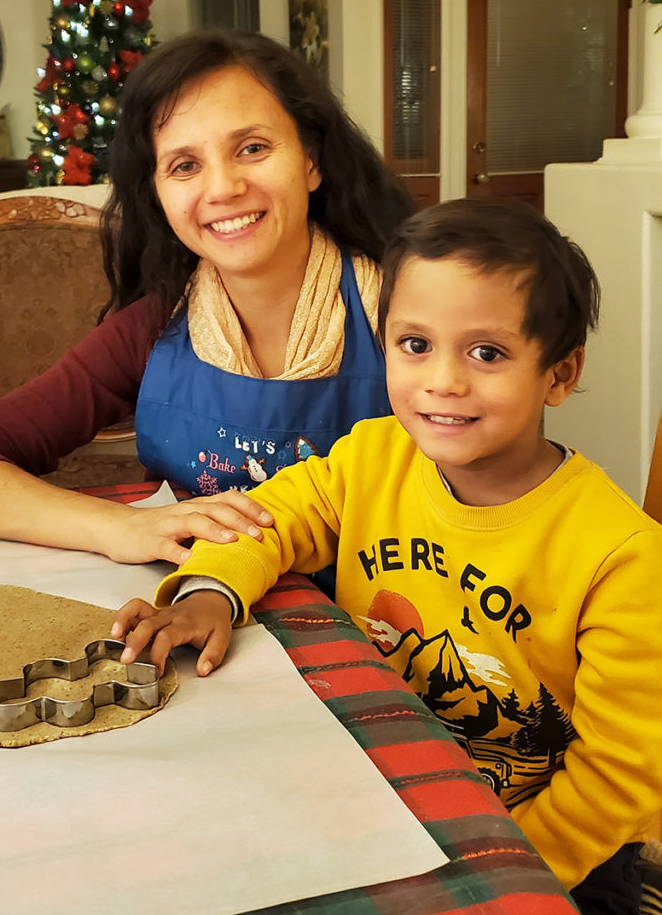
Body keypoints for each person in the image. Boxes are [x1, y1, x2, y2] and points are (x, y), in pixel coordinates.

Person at [113, 198, 662, 911]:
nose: (442, 381)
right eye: (413, 345)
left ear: (557, 374)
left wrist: (503, 872)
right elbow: (272, 517)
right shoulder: (373, 455)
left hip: (542, 849)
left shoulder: (621, 557)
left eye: (485, 352)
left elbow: (620, 772)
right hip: (376, 781)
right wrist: (208, 592)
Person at [0, 30, 413, 565]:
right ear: (158, 194)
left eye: (252, 148)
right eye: (185, 165)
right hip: (197, 619)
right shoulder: (153, 329)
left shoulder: (407, 313)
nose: (223, 187)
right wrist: (117, 527)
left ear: (311, 161)